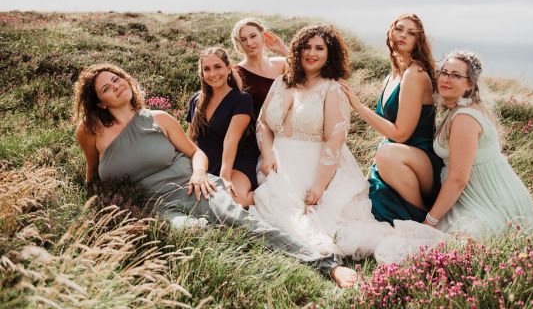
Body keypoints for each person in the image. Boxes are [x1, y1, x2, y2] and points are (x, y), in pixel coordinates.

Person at [73, 63, 358, 287]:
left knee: (240, 221)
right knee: (193, 233)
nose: (116, 86)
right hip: (152, 204)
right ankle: (242, 254)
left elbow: (196, 153)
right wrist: (90, 213)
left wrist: (200, 174)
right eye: (107, 88)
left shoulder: (158, 119)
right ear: (100, 103)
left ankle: (328, 265)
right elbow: (93, 172)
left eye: (117, 79)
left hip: (194, 185)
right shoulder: (90, 132)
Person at [250, 24, 445, 260]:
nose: (312, 53)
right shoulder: (281, 82)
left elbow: (335, 140)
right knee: (271, 209)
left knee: (311, 222)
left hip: (315, 165)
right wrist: (268, 153)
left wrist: (320, 185)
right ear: (298, 50)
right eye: (307, 47)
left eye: (319, 48)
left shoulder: (332, 88)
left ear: (329, 54)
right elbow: (262, 123)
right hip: (276, 162)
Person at [340, 14, 443, 224]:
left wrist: (358, 106)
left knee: (387, 151)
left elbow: (400, 133)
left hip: (420, 162)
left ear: (418, 41)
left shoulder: (415, 73)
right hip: (395, 158)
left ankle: (421, 215)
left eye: (411, 33)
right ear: (390, 33)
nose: (403, 35)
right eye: (399, 29)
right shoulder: (392, 75)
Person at [424, 51, 533, 237]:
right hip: (480, 195)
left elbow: (458, 179)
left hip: (488, 200)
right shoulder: (458, 109)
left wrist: (430, 221)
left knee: (448, 245)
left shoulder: (464, 118)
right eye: (444, 72)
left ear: (469, 84)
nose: (446, 79)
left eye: (456, 75)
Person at [187, 48, 259, 208]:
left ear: (228, 68)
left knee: (232, 201)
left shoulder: (241, 99)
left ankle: (267, 195)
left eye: (218, 67)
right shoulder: (195, 100)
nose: (213, 74)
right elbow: (191, 140)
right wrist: (197, 170)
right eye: (207, 69)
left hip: (237, 162)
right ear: (202, 73)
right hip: (207, 162)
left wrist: (224, 178)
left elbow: (231, 140)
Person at [230, 18, 289, 120]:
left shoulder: (282, 63)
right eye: (243, 39)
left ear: (263, 36)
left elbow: (312, 72)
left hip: (287, 128)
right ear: (239, 43)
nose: (249, 43)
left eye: (253, 36)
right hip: (257, 131)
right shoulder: (236, 73)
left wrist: (283, 49)